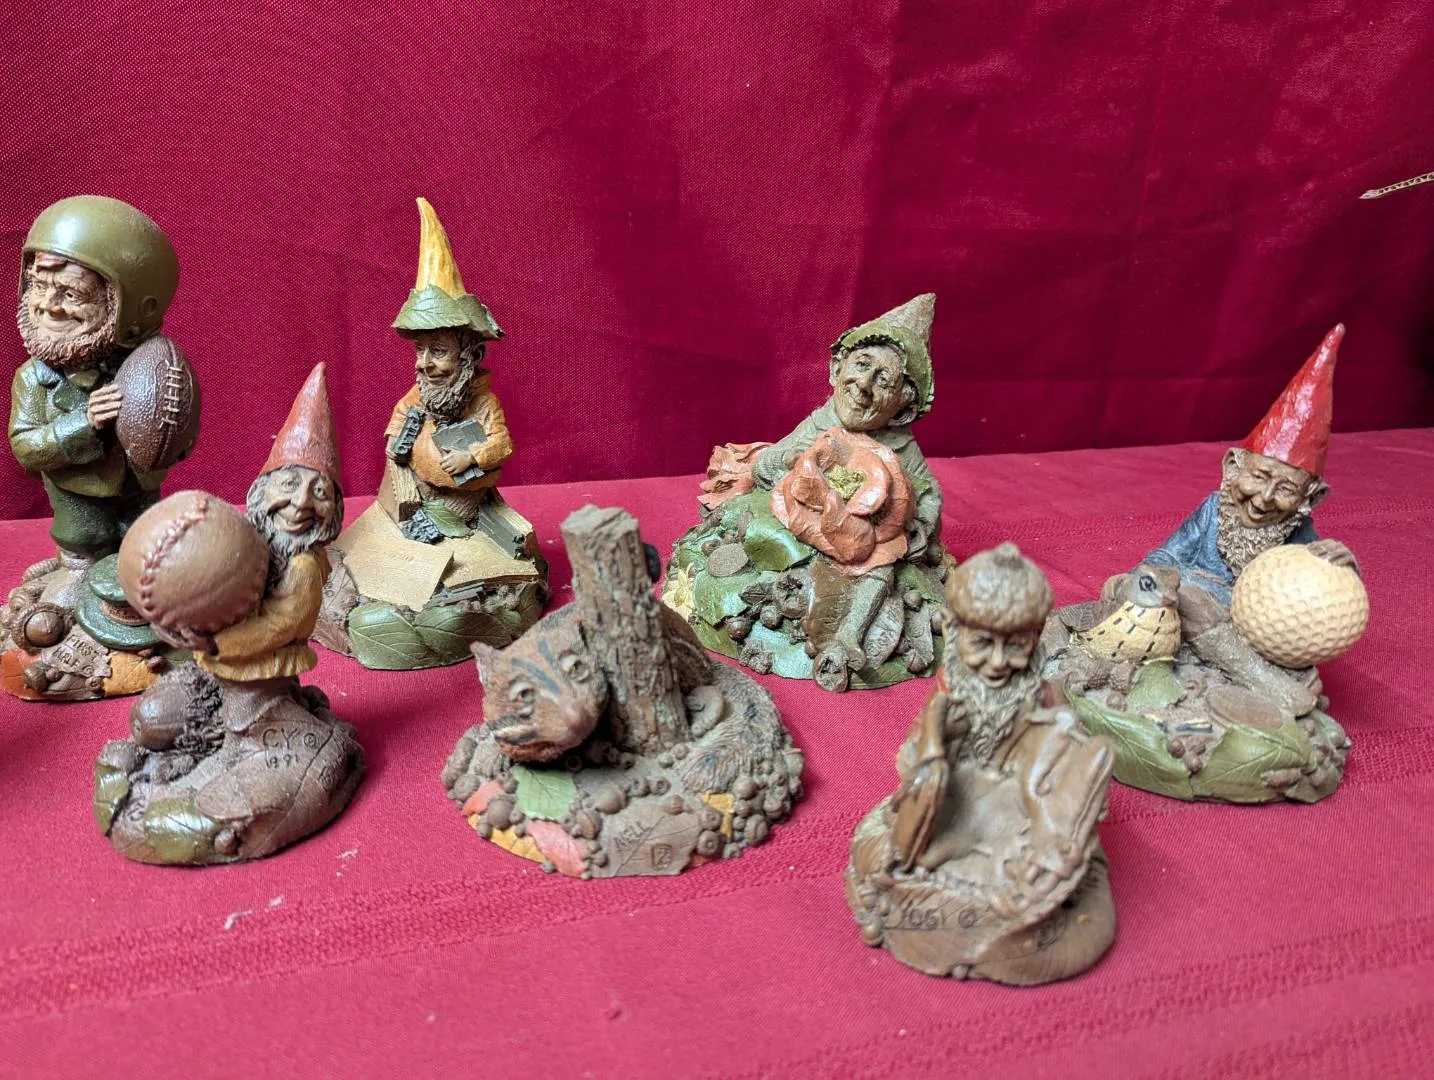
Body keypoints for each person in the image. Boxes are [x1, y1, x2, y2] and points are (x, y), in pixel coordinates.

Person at [1141, 325, 1357, 635]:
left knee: (1195, 603)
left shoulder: (1297, 534)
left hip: (1241, 626)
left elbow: (1327, 592)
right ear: (1233, 466)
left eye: (1286, 489)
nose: (1265, 498)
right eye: (1259, 476)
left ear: (1311, 498)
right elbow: (1169, 556)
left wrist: (1342, 567)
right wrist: (1146, 575)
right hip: (1181, 604)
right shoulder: (1214, 509)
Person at [9, 196, 180, 561]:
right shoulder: (34, 378)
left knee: (151, 545)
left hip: (139, 494)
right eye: (37, 285)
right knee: (86, 545)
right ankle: (74, 570)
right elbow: (25, 447)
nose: (47, 304)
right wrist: (84, 422)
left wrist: (172, 427)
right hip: (80, 502)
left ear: (128, 306)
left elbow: (179, 430)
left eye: (72, 293)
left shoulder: (153, 366)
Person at [380, 198, 519, 546]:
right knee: (411, 523)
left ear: (471, 355)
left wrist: (471, 456)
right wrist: (396, 441)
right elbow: (398, 423)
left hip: (462, 495)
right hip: (419, 487)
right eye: (420, 349)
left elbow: (502, 444)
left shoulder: (483, 404)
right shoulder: (418, 395)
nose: (423, 363)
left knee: (446, 526)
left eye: (439, 351)